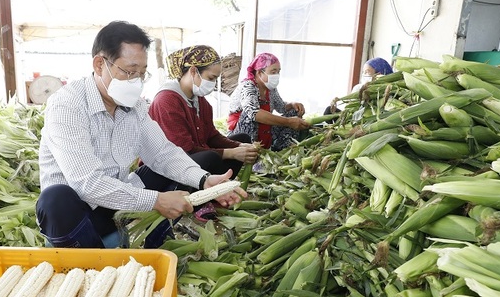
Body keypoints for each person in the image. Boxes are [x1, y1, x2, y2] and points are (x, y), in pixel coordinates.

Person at [36, 21, 245, 249]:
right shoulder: (67, 105)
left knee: (170, 171)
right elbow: (87, 183)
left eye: (142, 73)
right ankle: (89, 257)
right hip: (78, 212)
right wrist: (156, 200)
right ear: (99, 64)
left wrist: (205, 180)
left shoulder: (134, 106)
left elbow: (163, 153)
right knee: (55, 198)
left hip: (116, 201)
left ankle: (155, 243)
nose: (136, 82)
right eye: (129, 71)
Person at [148, 45, 258, 221]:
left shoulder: (201, 102)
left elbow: (212, 136)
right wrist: (231, 152)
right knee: (211, 157)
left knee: (242, 138)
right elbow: (183, 150)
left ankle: (213, 194)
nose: (213, 84)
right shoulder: (167, 100)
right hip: (166, 169)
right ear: (193, 71)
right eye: (211, 78)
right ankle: (197, 203)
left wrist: (239, 146)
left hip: (195, 160)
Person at [227, 52, 310, 151]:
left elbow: (281, 107)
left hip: (264, 130)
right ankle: (251, 152)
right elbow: (254, 113)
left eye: (278, 72)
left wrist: (292, 104)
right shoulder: (248, 86)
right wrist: (288, 122)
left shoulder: (270, 88)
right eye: (273, 72)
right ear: (259, 73)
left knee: (293, 112)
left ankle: (282, 148)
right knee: (250, 116)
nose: (277, 75)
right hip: (242, 136)